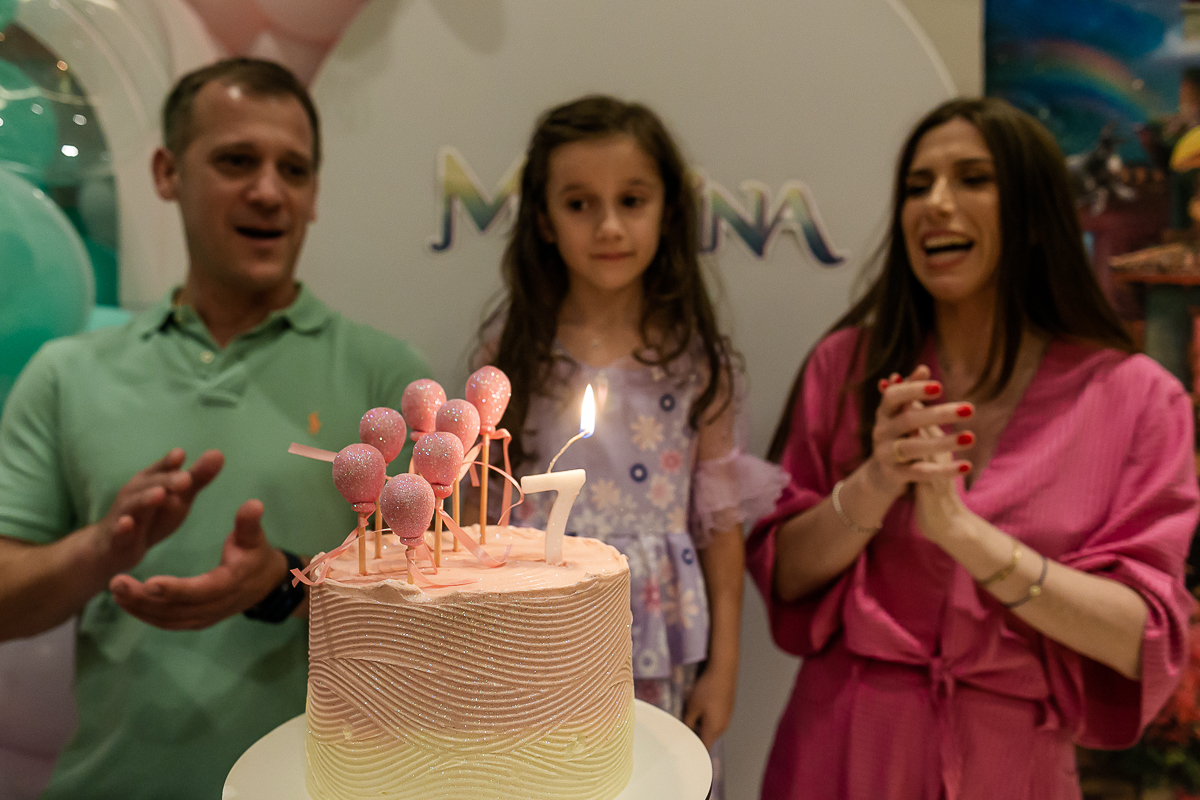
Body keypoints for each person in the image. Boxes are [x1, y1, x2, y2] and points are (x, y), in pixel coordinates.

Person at [747, 97, 1199, 800]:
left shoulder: (1138, 399)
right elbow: (783, 575)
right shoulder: (847, 366)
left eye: (972, 179)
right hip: (844, 743)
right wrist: (875, 480)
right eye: (917, 185)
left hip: (1013, 762)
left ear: (1033, 215)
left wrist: (962, 534)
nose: (937, 204)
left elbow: (1140, 635)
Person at [0, 58, 429, 800]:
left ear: (315, 194)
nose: (268, 190)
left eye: (293, 170)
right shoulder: (67, 373)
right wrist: (102, 547)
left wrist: (286, 582)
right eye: (236, 161)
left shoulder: (388, 383)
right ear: (167, 172)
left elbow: (454, 612)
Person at [476, 95, 785, 799]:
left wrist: (726, 665)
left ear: (668, 211)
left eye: (632, 200)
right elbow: (484, 514)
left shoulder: (698, 362)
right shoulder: (512, 354)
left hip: (657, 634)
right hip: (539, 630)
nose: (609, 225)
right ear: (545, 220)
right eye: (580, 204)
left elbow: (721, 529)